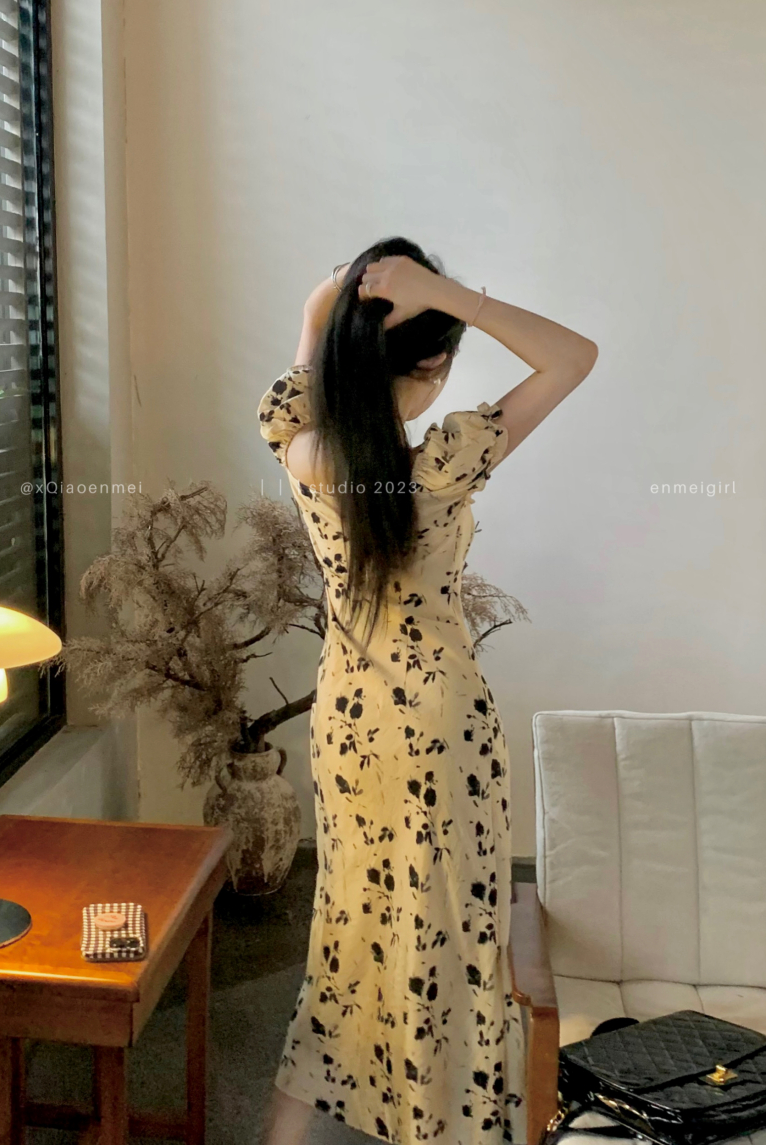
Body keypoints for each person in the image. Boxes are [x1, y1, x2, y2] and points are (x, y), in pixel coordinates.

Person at [257, 237, 598, 1145]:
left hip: (347, 722)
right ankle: (443, 1115)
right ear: (434, 366)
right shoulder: (442, 464)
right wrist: (453, 295)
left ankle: (307, 1116)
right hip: (442, 727)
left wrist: (323, 305)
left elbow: (305, 368)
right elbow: (575, 356)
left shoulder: (302, 448)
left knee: (349, 929)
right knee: (449, 928)